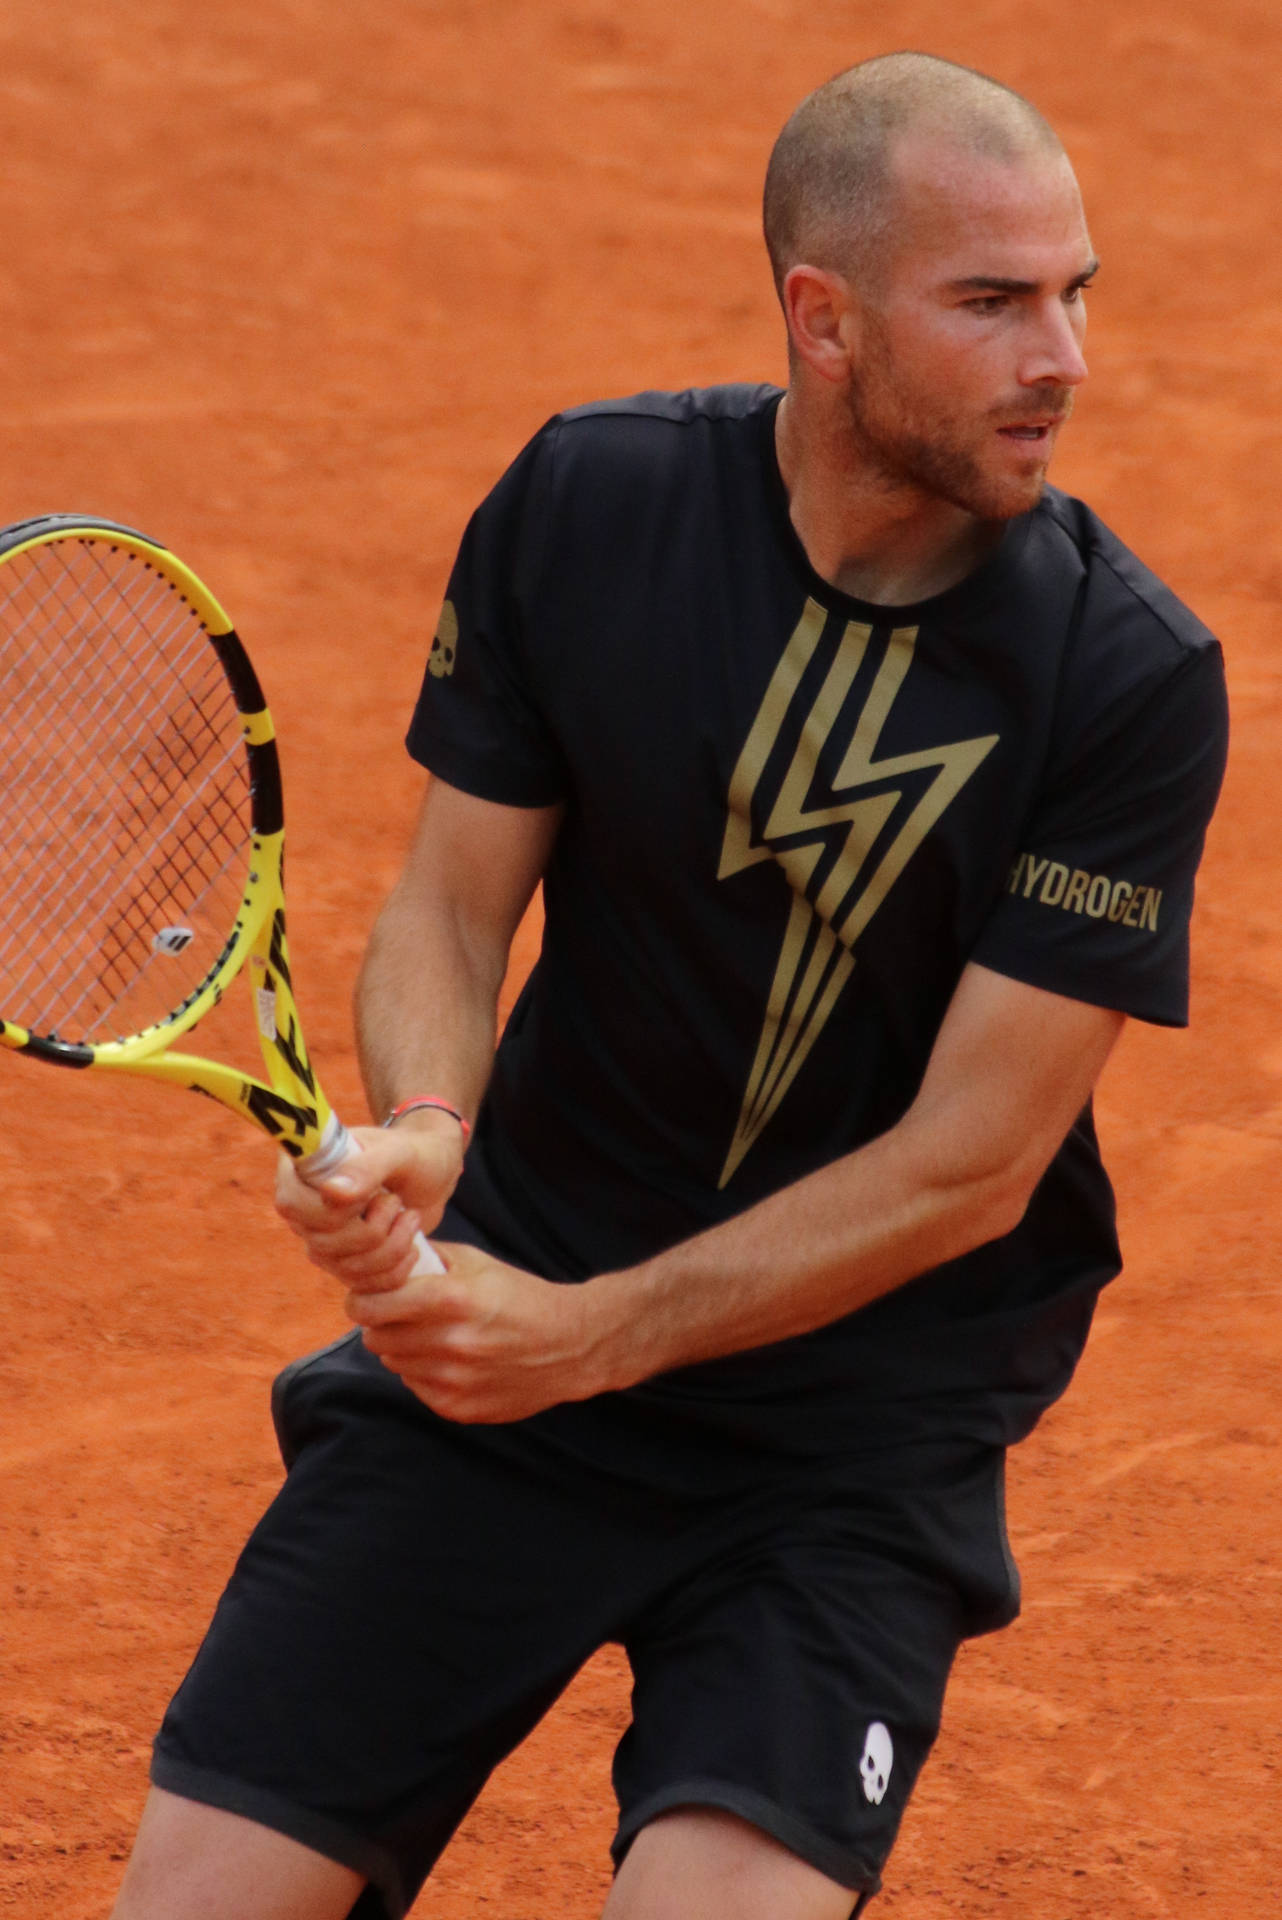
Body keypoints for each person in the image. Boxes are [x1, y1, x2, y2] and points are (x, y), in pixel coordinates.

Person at [111, 50, 1228, 1920]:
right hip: (508, 1347)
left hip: (847, 1438)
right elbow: (454, 916)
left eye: (1074, 292)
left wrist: (598, 1333)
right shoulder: (589, 504)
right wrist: (429, 1126)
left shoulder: (1122, 677)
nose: (1064, 359)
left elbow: (973, 1161)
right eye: (992, 302)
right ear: (823, 319)